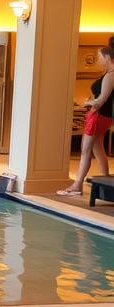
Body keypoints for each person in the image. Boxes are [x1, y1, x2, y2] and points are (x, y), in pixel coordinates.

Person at [58, 46, 113, 196]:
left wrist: (89, 103)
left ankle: (77, 185)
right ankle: (106, 183)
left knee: (85, 150)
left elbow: (102, 99)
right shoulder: (107, 74)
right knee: (98, 149)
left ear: (107, 57)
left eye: (100, 57)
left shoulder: (111, 75)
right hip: (102, 116)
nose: (99, 60)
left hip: (98, 115)